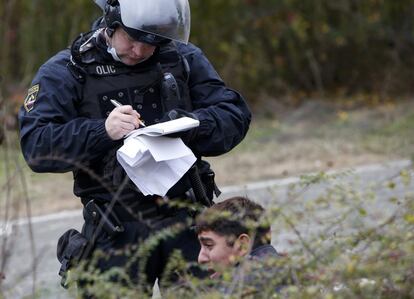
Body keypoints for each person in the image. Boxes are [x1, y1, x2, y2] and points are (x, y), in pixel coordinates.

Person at [18, 0, 251, 294]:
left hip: (186, 217)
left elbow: (235, 114)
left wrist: (192, 125)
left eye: (151, 43)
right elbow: (36, 145)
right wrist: (102, 131)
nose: (140, 51)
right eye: (132, 38)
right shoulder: (67, 70)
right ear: (111, 25)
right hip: (114, 228)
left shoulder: (182, 58)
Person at [195, 196, 283, 295]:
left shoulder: (237, 291)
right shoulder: (293, 274)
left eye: (209, 245)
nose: (200, 258)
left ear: (242, 244)